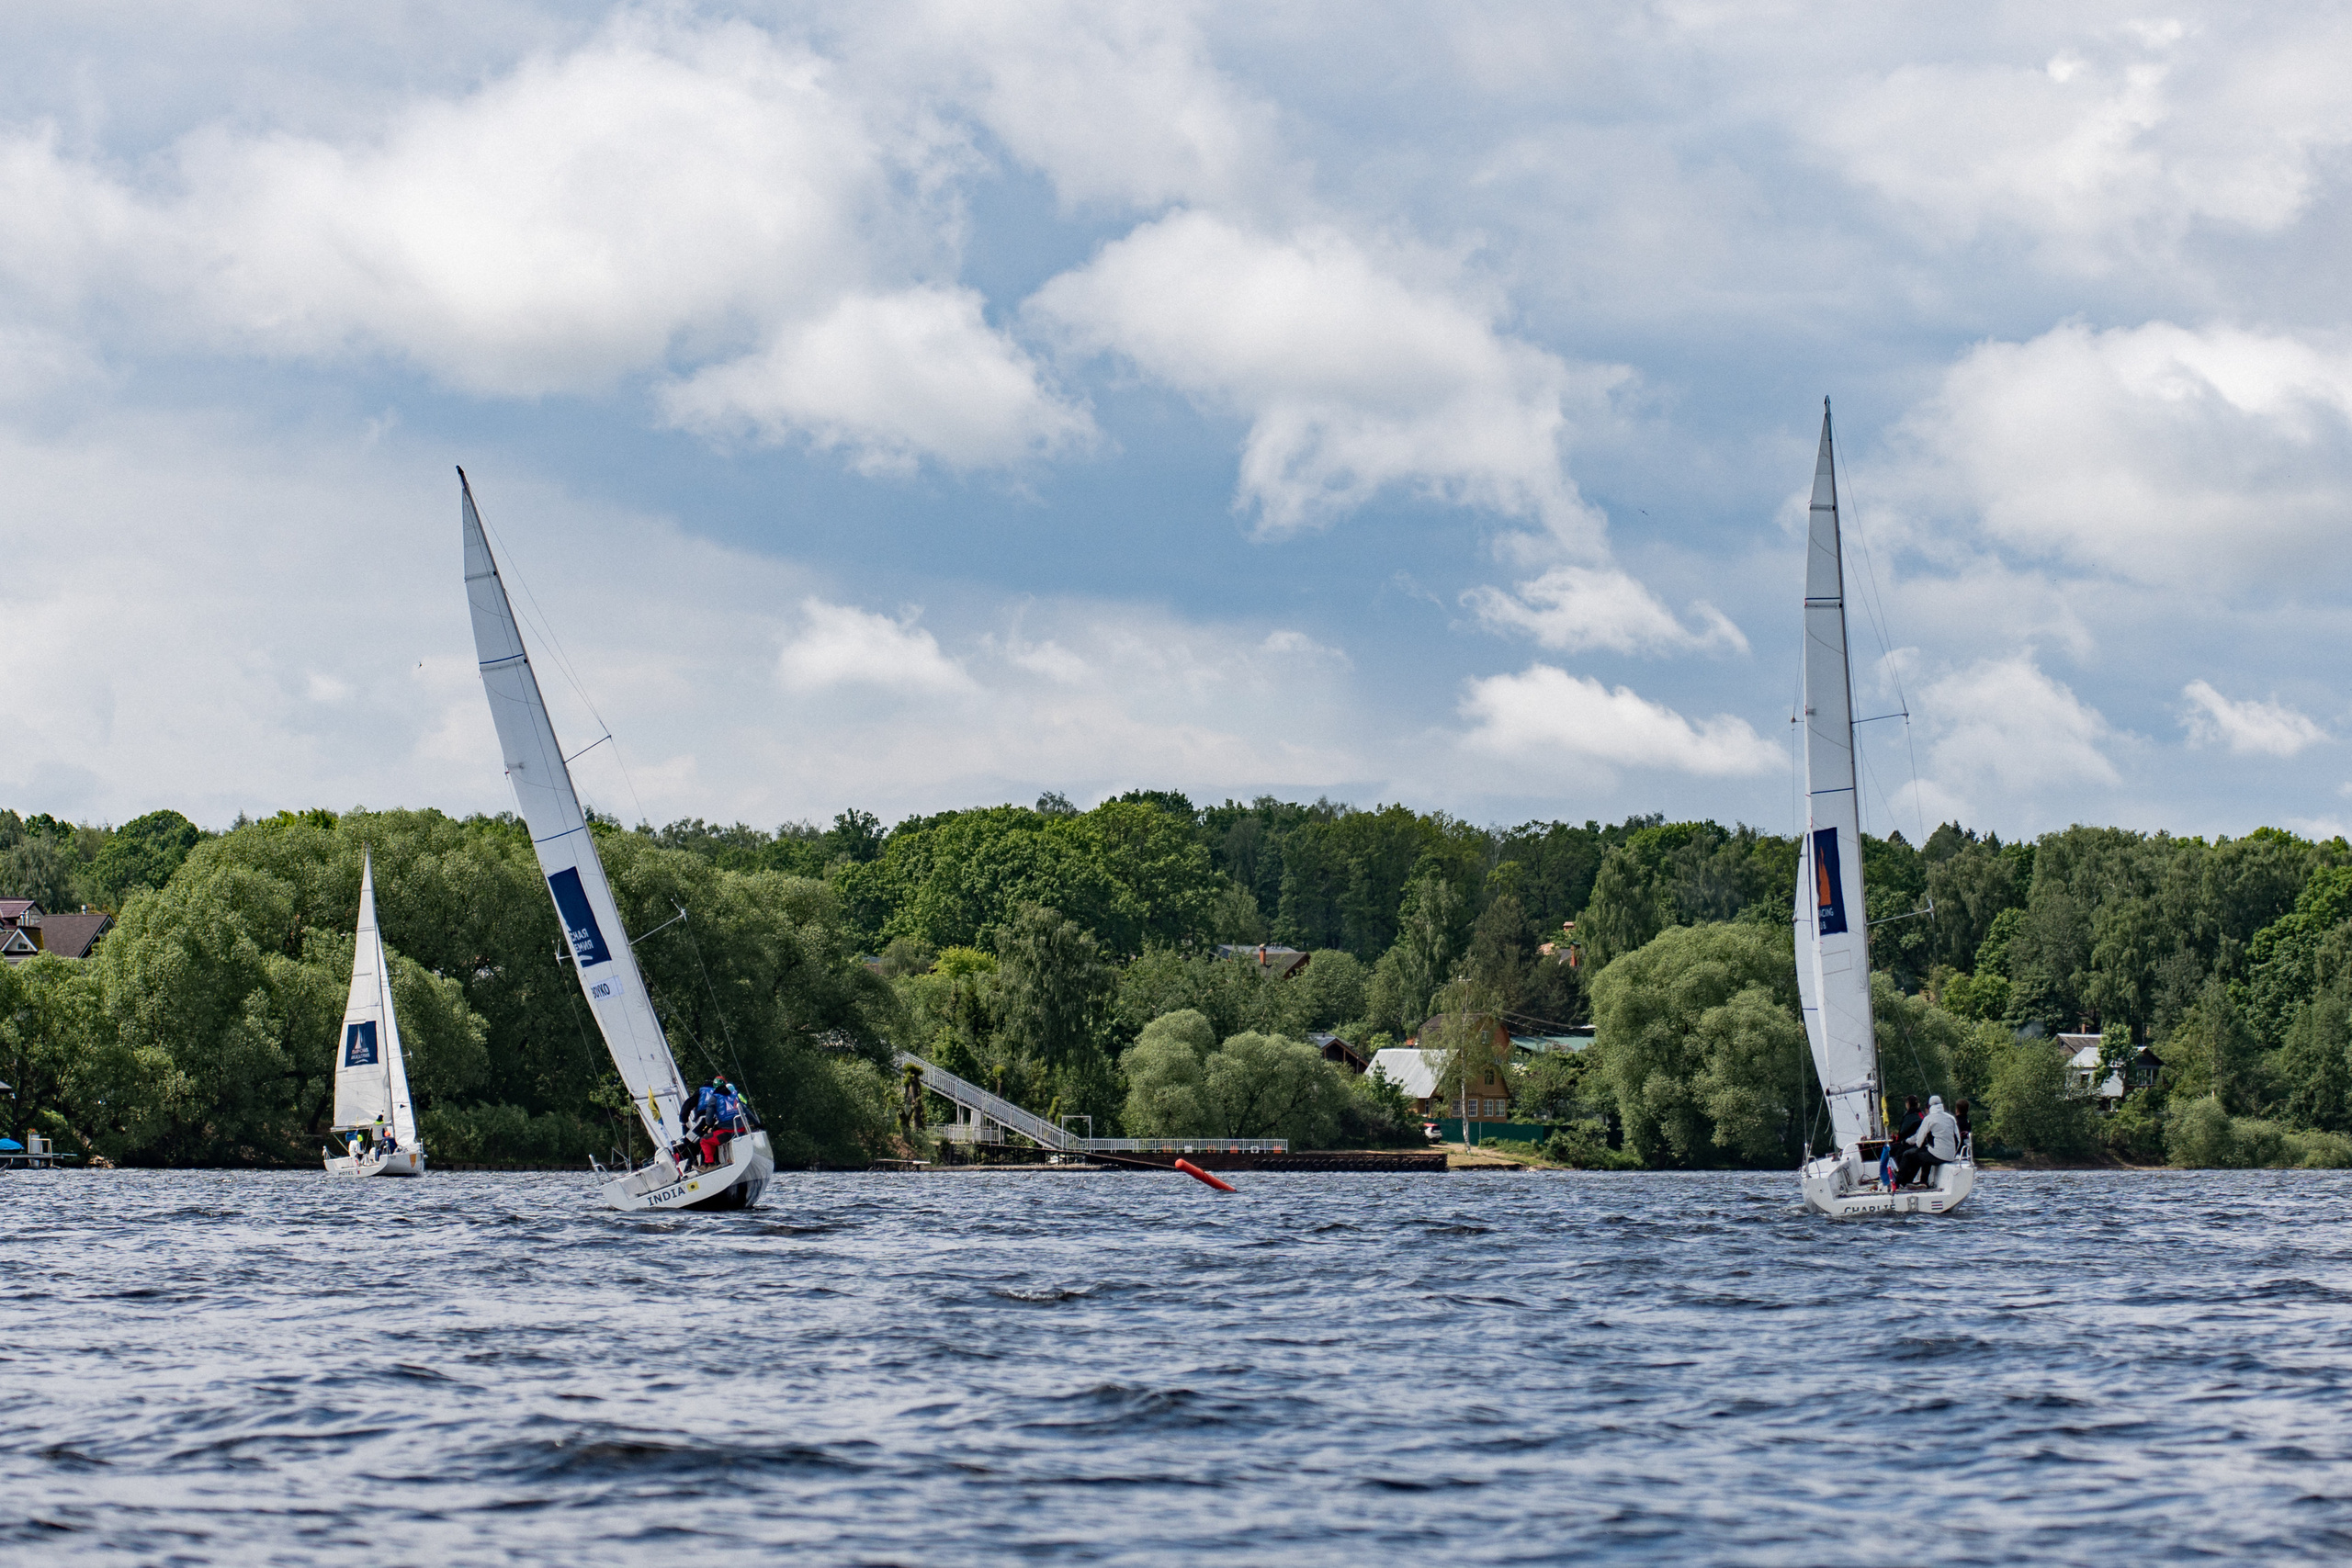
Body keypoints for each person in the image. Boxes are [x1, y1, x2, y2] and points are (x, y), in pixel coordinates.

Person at [1907, 1095, 1962, 1184]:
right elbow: (1958, 1138)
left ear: (1929, 1106)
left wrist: (1918, 1146)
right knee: (1928, 1154)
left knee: (1919, 1156)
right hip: (1951, 1155)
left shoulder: (1929, 1118)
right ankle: (1923, 1182)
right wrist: (1954, 1153)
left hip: (1940, 1156)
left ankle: (1915, 1182)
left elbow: (1919, 1139)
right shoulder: (1951, 1118)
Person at [1892, 1095, 1925, 1185]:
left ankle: (1899, 1179)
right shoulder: (1921, 1115)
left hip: (1908, 1144)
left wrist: (1900, 1141)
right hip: (1916, 1144)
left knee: (1893, 1151)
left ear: (1908, 1104)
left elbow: (1903, 1132)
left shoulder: (1909, 1115)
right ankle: (1903, 1178)